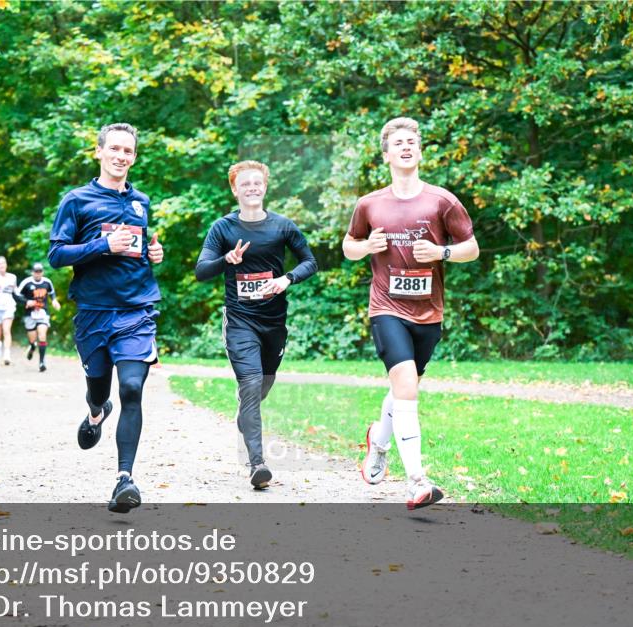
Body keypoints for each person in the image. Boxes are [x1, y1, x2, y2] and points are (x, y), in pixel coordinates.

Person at [342, 117, 479, 510]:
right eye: (398, 143)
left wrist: (441, 252)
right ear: (386, 155)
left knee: (405, 387)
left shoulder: (442, 201)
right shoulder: (370, 204)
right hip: (386, 307)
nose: (406, 147)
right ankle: (417, 481)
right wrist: (366, 247)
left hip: (428, 313)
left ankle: (379, 441)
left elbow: (471, 248)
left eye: (412, 142)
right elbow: (349, 246)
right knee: (405, 383)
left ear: (419, 152)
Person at [48, 122, 164, 514]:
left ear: (134, 157)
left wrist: (152, 253)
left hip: (136, 310)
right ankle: (97, 411)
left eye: (128, 151)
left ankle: (124, 479)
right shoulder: (76, 201)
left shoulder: (141, 201)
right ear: (99, 151)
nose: (121, 156)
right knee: (99, 389)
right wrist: (102, 245)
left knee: (131, 387)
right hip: (93, 313)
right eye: (114, 148)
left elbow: (136, 248)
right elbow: (57, 254)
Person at [195, 160, 317, 489]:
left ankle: (245, 416)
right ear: (235, 190)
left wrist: (287, 279)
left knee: (262, 386)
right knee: (249, 385)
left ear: (265, 187)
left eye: (257, 182)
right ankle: (257, 464)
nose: (251, 187)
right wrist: (226, 260)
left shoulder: (283, 226)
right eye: (244, 183)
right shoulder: (222, 228)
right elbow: (201, 270)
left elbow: (310, 262)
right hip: (239, 321)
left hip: (274, 323)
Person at [16, 262, 61, 372]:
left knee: (42, 336)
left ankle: (42, 362)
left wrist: (54, 301)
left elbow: (52, 293)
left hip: (43, 313)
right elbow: (16, 295)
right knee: (32, 340)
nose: (38, 273)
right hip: (30, 314)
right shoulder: (26, 282)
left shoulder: (47, 282)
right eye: (36, 271)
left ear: (42, 272)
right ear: (32, 272)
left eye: (40, 271)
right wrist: (27, 301)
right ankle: (32, 347)